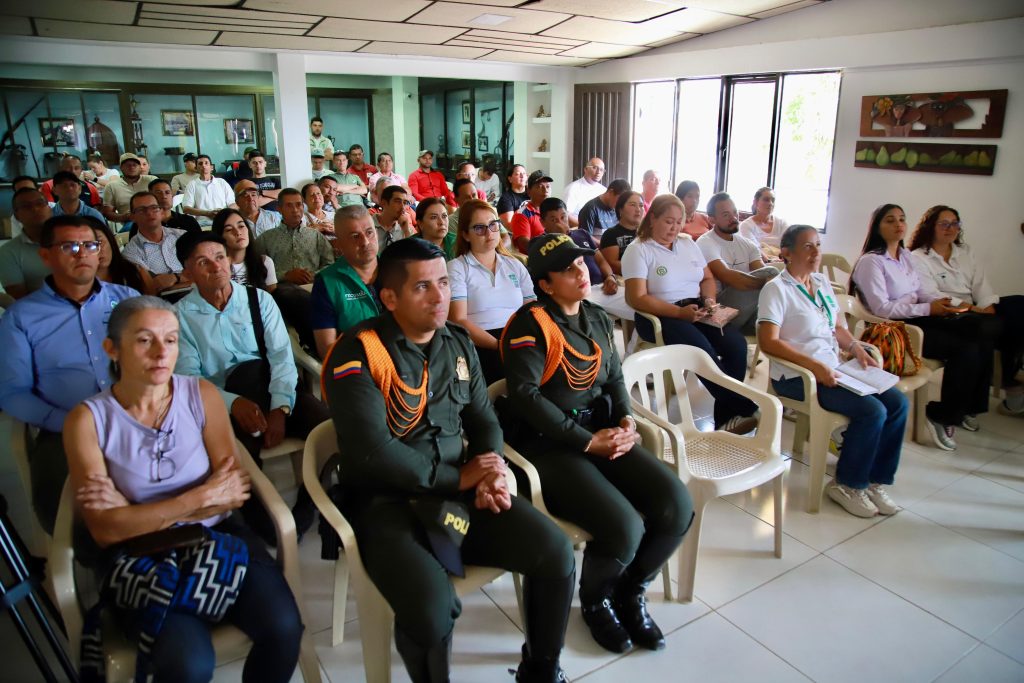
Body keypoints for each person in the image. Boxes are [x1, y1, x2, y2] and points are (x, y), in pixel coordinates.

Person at [323, 238, 575, 682]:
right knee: (431, 610)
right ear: (390, 297)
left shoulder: (456, 343)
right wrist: (458, 478)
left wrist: (492, 469)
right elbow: (372, 451)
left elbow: (483, 419)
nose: (440, 297)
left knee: (554, 551)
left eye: (443, 282)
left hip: (460, 495)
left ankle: (541, 669)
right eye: (422, 287)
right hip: (389, 504)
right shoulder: (358, 352)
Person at [63, 296, 303, 683]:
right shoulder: (89, 421)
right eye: (144, 340)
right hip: (142, 558)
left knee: (284, 628)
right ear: (112, 348)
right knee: (189, 664)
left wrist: (132, 511)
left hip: (216, 538)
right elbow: (106, 530)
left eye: (171, 340)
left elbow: (234, 493)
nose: (161, 352)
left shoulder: (201, 395)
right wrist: (200, 498)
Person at [502, 232, 692, 654]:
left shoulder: (597, 317)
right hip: (549, 445)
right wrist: (587, 443)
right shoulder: (529, 325)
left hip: (602, 432)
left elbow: (614, 376)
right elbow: (526, 397)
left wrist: (625, 416)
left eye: (581, 264)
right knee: (625, 526)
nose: (580, 272)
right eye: (567, 269)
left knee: (677, 504)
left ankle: (628, 589)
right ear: (546, 285)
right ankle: (594, 602)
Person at [174, 231, 327, 537]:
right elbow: (189, 379)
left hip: (271, 388)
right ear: (187, 272)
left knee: (329, 431)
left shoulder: (259, 301)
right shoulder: (180, 316)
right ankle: (262, 520)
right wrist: (233, 404)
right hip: (219, 402)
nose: (216, 267)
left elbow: (282, 358)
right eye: (203, 262)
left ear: (230, 262)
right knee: (230, 456)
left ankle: (309, 507)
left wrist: (279, 408)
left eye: (220, 257)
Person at [0, 215, 139, 533]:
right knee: (72, 512)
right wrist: (71, 424)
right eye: (69, 246)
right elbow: (12, 393)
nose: (82, 253)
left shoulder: (127, 301)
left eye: (90, 245)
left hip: (136, 418)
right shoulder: (22, 317)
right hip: (64, 426)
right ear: (46, 256)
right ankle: (112, 565)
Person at [759, 225, 908, 517]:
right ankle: (848, 484)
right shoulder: (776, 289)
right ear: (787, 253)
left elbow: (837, 327)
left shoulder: (821, 283)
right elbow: (768, 342)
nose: (816, 252)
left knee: (898, 403)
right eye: (808, 246)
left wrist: (855, 348)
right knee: (872, 411)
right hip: (798, 377)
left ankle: (874, 480)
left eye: (818, 245)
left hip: (834, 368)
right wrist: (814, 366)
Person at [850, 203, 998, 450]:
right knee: (966, 349)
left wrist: (941, 303)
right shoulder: (871, 262)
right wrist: (928, 309)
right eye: (890, 220)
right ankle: (942, 414)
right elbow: (882, 310)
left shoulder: (906, 256)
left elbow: (921, 292)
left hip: (920, 317)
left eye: (901, 219)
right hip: (898, 327)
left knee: (981, 331)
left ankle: (965, 407)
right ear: (877, 227)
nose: (898, 225)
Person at [622, 195, 758, 434]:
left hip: (696, 308)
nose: (673, 228)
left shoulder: (687, 243)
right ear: (652, 218)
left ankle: (726, 420)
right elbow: (636, 298)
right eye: (667, 221)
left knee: (735, 345)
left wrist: (709, 301)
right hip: (660, 315)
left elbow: (706, 278)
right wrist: (678, 313)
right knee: (703, 352)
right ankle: (747, 408)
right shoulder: (639, 249)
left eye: (678, 222)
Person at [908, 205, 1024, 416]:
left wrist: (987, 306)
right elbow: (931, 295)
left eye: (954, 224)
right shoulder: (918, 257)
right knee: (982, 332)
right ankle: (998, 389)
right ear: (930, 227)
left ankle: (1009, 376)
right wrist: (974, 309)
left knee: (1019, 306)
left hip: (977, 310)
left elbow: (980, 283)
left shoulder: (965, 252)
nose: (950, 228)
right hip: (950, 312)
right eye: (943, 224)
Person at [447, 199, 534, 386]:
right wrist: (499, 345)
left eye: (493, 225)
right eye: (479, 228)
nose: (489, 233)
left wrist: (517, 343)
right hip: (477, 343)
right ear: (466, 234)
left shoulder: (515, 265)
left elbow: (532, 312)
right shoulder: (457, 268)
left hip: (517, 340)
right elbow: (458, 320)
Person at [256, 188, 334, 351]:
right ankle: (313, 345)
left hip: (313, 285)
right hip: (282, 290)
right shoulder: (266, 238)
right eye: (289, 206)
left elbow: (330, 264)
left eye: (299, 205)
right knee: (290, 294)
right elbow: (258, 273)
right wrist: (286, 276)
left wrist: (313, 276)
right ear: (279, 209)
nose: (295, 210)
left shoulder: (315, 236)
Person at [311, 204, 382, 359]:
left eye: (369, 233)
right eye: (355, 236)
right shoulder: (327, 283)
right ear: (340, 243)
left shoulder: (397, 269)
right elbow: (327, 350)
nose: (365, 242)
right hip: (359, 368)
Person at [696, 192, 772, 333]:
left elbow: (763, 271)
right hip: (719, 308)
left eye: (735, 212)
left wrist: (770, 281)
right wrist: (767, 282)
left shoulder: (747, 244)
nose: (734, 218)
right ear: (712, 220)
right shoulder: (705, 242)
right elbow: (727, 276)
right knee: (772, 279)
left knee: (772, 274)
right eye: (726, 215)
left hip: (747, 308)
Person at [540, 197, 618, 296]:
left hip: (602, 287)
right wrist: (562, 237)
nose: (560, 223)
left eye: (563, 217)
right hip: (576, 293)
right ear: (542, 222)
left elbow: (601, 260)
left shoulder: (582, 233)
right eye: (554, 220)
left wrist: (610, 277)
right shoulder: (541, 243)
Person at [121, 192, 191, 296]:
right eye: (141, 210)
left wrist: (176, 277)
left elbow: (203, 271)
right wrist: (190, 279)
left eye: (154, 207)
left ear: (162, 212)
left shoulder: (182, 236)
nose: (149, 213)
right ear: (132, 217)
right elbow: (153, 288)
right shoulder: (130, 252)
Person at [1, 188, 54, 298]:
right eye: (26, 206)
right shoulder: (8, 252)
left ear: (49, 208)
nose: (35, 209)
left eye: (40, 203)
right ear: (16, 215)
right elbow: (20, 298)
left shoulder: (71, 239)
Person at [211, 208, 277, 292]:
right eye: (229, 230)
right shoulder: (214, 267)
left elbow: (272, 299)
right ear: (219, 237)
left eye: (241, 226)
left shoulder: (264, 262)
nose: (238, 232)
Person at [90, 217, 147, 292]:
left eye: (100, 242)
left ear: (110, 240)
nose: (98, 250)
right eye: (89, 245)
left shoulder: (135, 272)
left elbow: (150, 301)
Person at [101, 153, 157, 224]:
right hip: (130, 223)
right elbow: (107, 213)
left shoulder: (152, 180)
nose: (132, 167)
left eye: (134, 165)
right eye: (128, 165)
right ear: (121, 168)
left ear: (140, 167)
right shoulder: (111, 186)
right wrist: (124, 217)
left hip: (154, 218)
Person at [599, 190, 645, 276]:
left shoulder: (647, 233)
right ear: (620, 209)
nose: (638, 209)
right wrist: (643, 268)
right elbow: (612, 265)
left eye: (641, 205)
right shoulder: (611, 234)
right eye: (632, 205)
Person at [182, 155, 235, 227]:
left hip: (223, 221)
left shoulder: (222, 182)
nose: (203, 166)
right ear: (196, 168)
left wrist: (222, 213)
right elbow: (186, 209)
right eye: (200, 164)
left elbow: (233, 204)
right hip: (202, 223)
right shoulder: (192, 185)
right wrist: (207, 213)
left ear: (211, 167)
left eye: (206, 163)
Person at [510, 171, 552, 253]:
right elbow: (526, 245)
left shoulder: (553, 209)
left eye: (548, 186)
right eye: (540, 186)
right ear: (529, 191)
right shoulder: (522, 215)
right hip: (537, 258)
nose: (545, 190)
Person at [563, 157, 607, 223]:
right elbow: (565, 215)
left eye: (601, 170)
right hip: (579, 229)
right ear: (586, 169)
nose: (598, 172)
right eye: (595, 168)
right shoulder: (573, 188)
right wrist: (584, 226)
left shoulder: (604, 190)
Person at [374, 184, 416, 252]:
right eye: (397, 201)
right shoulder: (369, 225)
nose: (402, 207)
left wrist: (406, 231)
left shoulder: (405, 226)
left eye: (405, 203)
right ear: (383, 203)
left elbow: (413, 254)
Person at [497, 164, 529, 230]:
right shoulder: (506, 199)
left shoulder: (532, 194)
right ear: (510, 179)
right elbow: (509, 225)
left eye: (524, 173)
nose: (522, 176)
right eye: (518, 174)